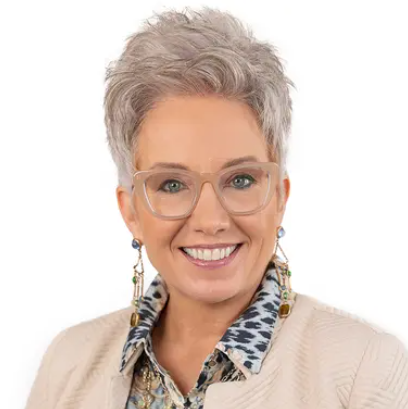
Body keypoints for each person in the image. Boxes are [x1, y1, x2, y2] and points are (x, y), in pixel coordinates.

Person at [25, 6, 408, 409]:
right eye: (172, 184)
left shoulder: (366, 370)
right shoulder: (66, 365)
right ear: (131, 212)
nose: (211, 221)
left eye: (240, 180)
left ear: (279, 197)